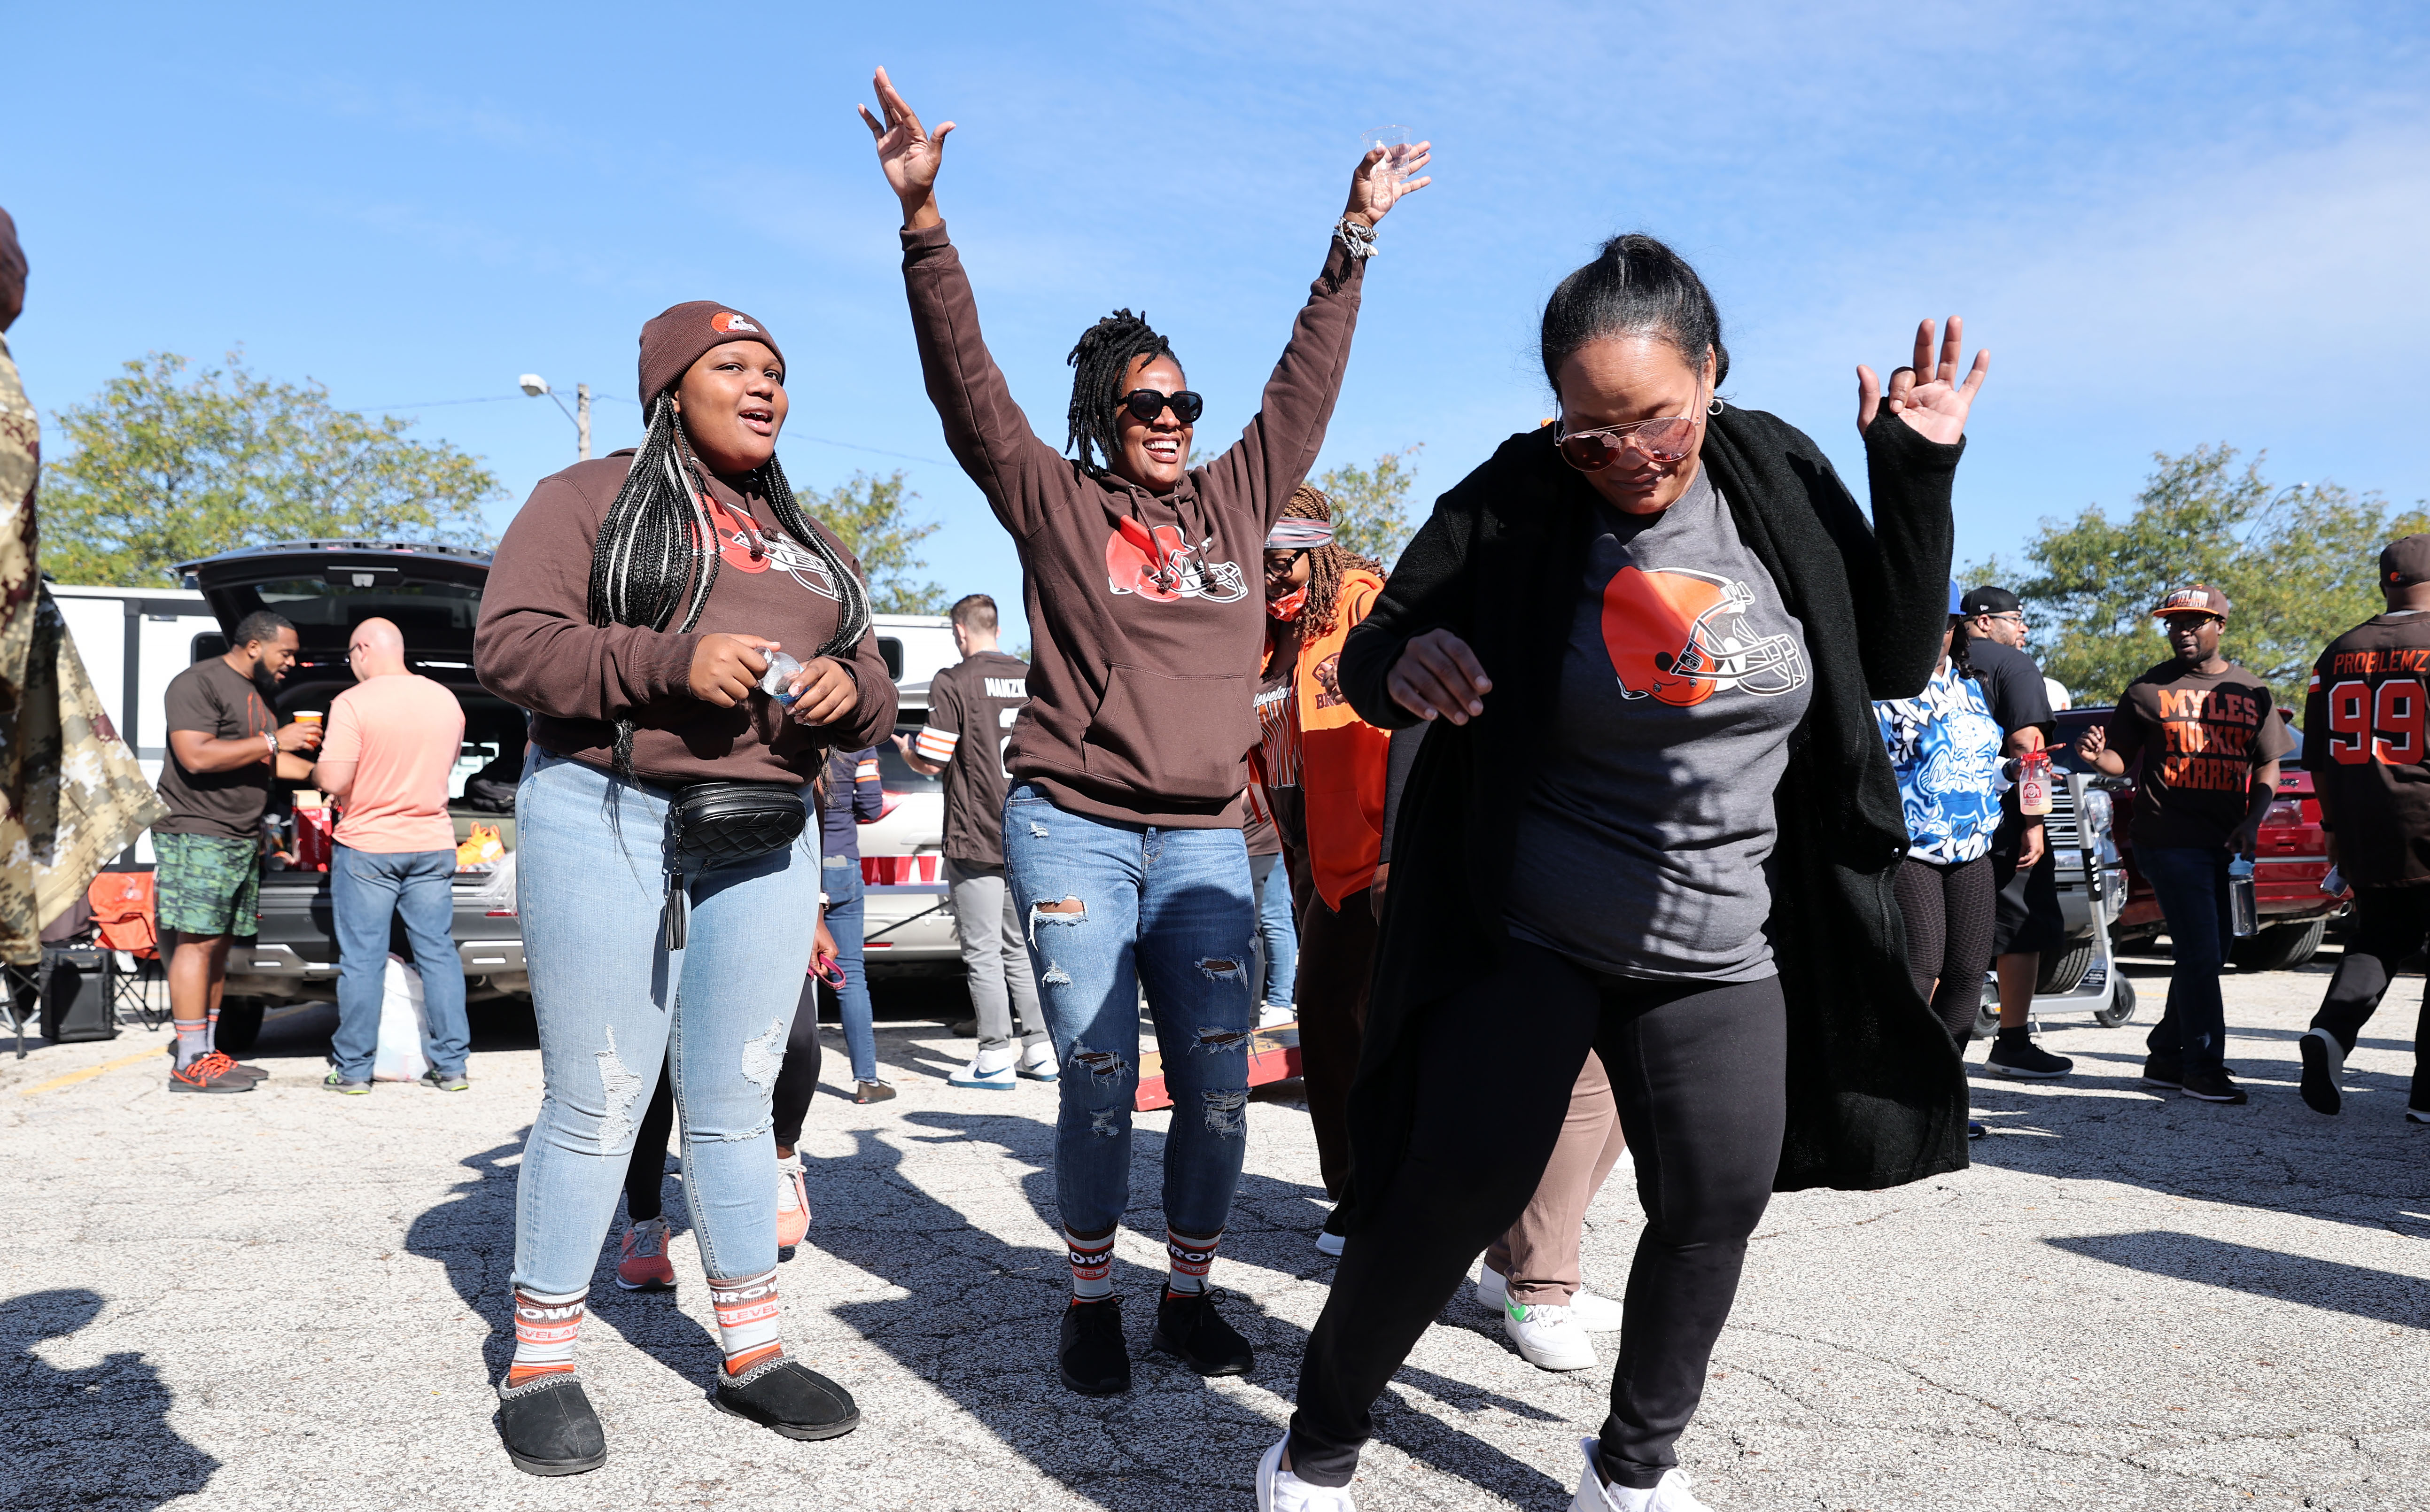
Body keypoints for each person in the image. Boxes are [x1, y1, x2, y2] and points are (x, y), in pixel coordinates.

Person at [1269, 234, 1985, 1512]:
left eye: (1652, 420)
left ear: (1708, 375)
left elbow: (1882, 657)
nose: (1625, 458)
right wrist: (1410, 662)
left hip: (1721, 937)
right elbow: (1374, 649)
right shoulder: (1517, 496)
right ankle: (1317, 1443)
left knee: (1715, 1199)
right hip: (1533, 928)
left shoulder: (1772, 473)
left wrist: (1914, 476)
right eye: (1588, 431)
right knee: (1448, 1198)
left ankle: (1632, 1465)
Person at [864, 65, 1425, 1399]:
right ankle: (1090, 1297)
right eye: (1145, 406)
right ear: (1106, 419)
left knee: (1221, 1086)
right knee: (1103, 1071)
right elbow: (967, 386)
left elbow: (1306, 382)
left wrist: (1350, 241)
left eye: (1181, 402)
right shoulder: (1056, 505)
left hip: (1206, 842)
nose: (1171, 421)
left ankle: (1188, 1293)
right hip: (1075, 827)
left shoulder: (1240, 501)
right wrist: (924, 230)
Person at [474, 297, 896, 1473]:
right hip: (608, 803)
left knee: (741, 1092)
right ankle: (541, 1360)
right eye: (734, 366)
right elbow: (510, 644)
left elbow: (873, 673)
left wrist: (845, 695)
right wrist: (671, 659)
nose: (764, 385)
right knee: (602, 1090)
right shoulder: (590, 497)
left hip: (767, 824)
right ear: (671, 386)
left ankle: (751, 1349)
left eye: (775, 369)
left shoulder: (806, 532)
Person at [2078, 584, 2292, 1106]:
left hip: (2223, 841)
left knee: (2211, 953)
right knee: (2198, 952)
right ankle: (2202, 1067)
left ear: (2220, 625)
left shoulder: (2251, 691)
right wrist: (2096, 757)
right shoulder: (2147, 690)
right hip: (2166, 838)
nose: (2183, 631)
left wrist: (2254, 819)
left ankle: (2165, 1056)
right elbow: (2119, 762)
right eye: (2174, 623)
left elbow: (2268, 762)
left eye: (2195, 621)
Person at [1249, 487, 1390, 1256]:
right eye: (1258, 565)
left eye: (1282, 562)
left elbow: (1414, 724)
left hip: (1373, 852)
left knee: (1352, 1014)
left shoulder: (1364, 607)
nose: (1272, 579)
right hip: (1301, 845)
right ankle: (1351, 1185)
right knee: (1328, 1017)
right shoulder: (1257, 634)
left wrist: (1400, 844)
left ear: (1317, 552)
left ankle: (1379, 1189)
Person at [152, 611, 322, 1093]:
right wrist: (275, 738)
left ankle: (207, 1052)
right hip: (198, 831)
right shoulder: (197, 683)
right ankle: (188, 1060)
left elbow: (270, 760)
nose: (291, 661)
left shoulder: (257, 693)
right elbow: (197, 755)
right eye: (285, 653)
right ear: (253, 645)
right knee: (197, 941)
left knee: (220, 946)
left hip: (240, 836)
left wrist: (327, 774)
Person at [2298, 534, 2430, 1121]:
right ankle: (2426, 1097)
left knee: (2378, 936)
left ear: (2385, 582)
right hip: (2425, 813)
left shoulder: (2338, 651)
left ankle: (2330, 1031)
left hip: (2360, 821)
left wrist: (2333, 828)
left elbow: (2318, 760)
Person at [898, 593, 1054, 1089]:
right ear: (997, 630)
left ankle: (993, 1056)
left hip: (974, 836)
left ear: (960, 632)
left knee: (983, 952)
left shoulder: (955, 680)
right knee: (1021, 950)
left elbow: (934, 757)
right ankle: (1039, 1049)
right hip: (1027, 833)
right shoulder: (1032, 675)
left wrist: (908, 755)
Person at [310, 616, 471, 1094]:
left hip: (369, 846)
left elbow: (335, 782)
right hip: (432, 840)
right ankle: (452, 1066)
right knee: (438, 953)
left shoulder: (352, 703)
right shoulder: (446, 699)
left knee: (363, 960)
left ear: (362, 650)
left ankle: (355, 1071)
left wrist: (319, 770)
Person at [1879, 587, 2013, 1048]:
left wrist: (2012, 771)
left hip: (1972, 845)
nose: (1935, 631)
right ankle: (1896, 1098)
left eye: (1945, 621)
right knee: (1921, 968)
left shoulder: (1969, 686)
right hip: (1911, 846)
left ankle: (1943, 1098)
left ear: (1956, 629)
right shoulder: (1880, 688)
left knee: (1968, 974)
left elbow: (1980, 763)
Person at [1955, 584, 2073, 1078]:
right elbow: (2030, 747)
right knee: (2020, 932)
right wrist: (2034, 824)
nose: (2023, 629)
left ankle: (1936, 1056)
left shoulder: (1934, 663)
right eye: (2016, 618)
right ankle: (2013, 1041)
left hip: (1940, 821)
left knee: (1947, 941)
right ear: (1983, 621)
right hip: (2003, 823)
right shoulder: (2014, 665)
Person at [815, 745, 893, 1102]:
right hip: (841, 863)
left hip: (796, 865)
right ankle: (867, 1080)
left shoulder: (786, 732)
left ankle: (787, 1082)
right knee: (851, 976)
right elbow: (872, 806)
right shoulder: (858, 744)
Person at [1245, 790, 1298, 1024]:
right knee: (1273, 920)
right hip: (1270, 839)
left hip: (1264, 842)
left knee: (1273, 920)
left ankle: (1279, 1003)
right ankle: (1279, 1002)